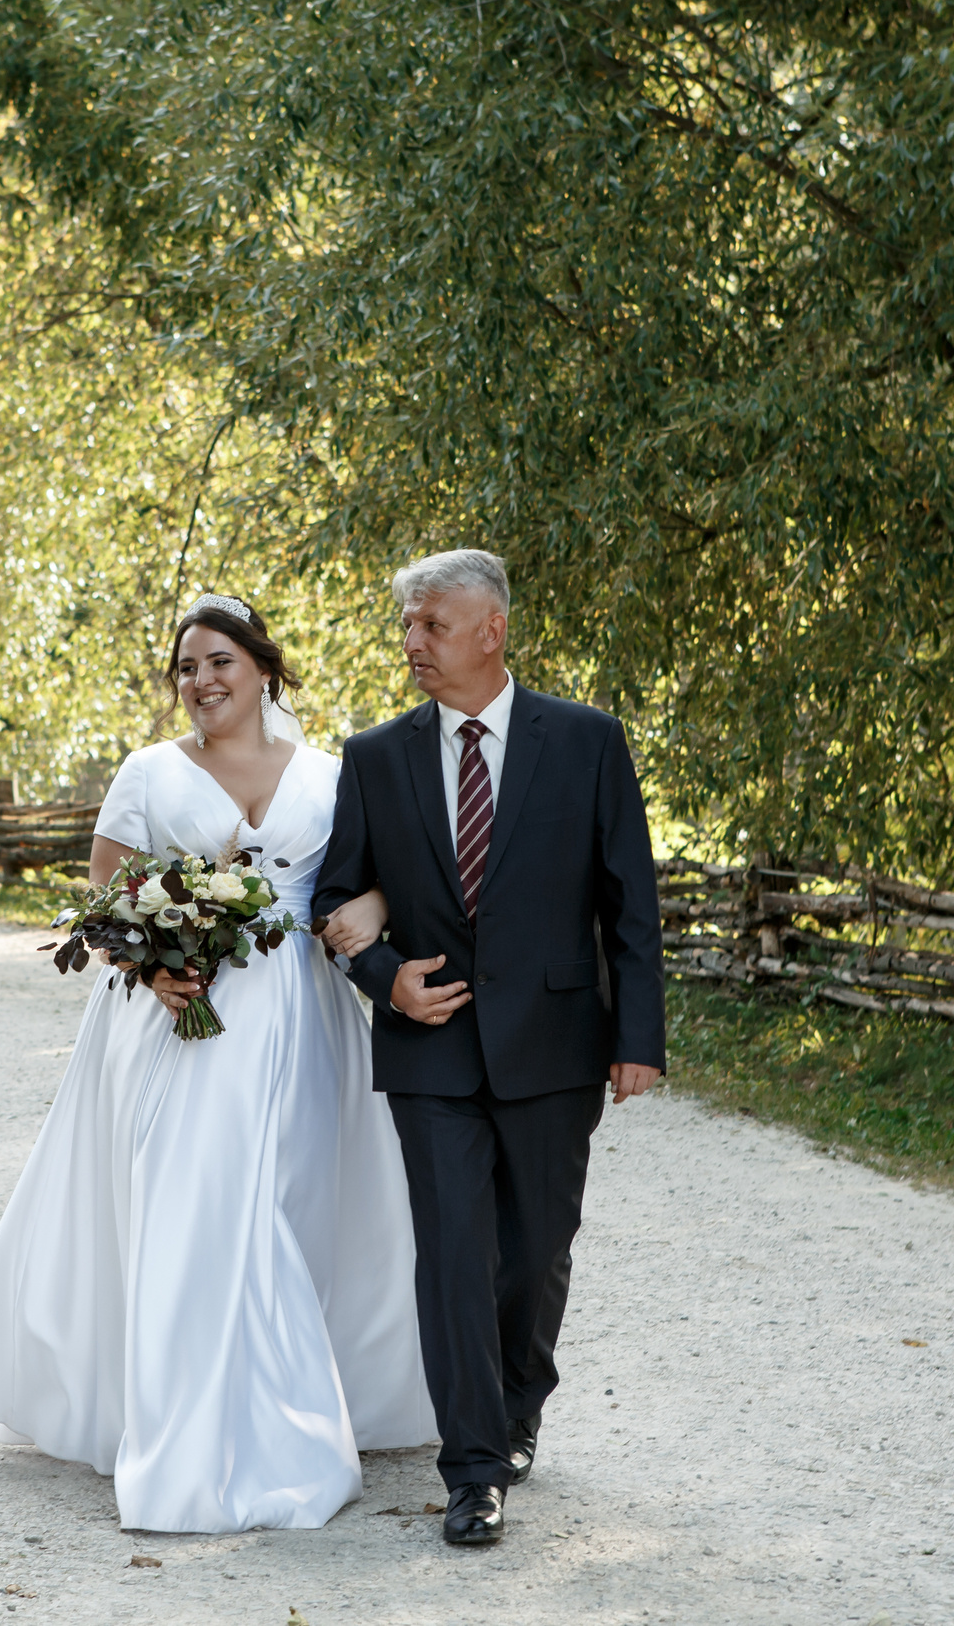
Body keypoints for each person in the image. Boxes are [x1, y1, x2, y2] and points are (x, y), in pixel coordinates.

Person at [0, 593, 436, 1533]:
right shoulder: (150, 772)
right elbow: (108, 894)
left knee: (289, 1203)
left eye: (218, 664)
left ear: (263, 670)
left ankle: (292, 1401)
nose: (200, 682)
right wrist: (154, 962)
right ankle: (187, 1430)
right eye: (186, 669)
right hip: (182, 1013)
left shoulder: (331, 773)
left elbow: (376, 877)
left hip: (302, 1020)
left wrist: (375, 914)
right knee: (197, 1203)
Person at [310, 548, 666, 1547]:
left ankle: (518, 1405)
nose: (410, 642)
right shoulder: (375, 757)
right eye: (406, 626)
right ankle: (471, 1470)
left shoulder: (587, 742)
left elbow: (627, 902)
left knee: (534, 1255)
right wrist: (387, 981)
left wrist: (637, 1036)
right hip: (430, 1055)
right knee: (453, 1259)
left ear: (487, 631)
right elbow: (335, 897)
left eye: (427, 624)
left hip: (554, 1044)